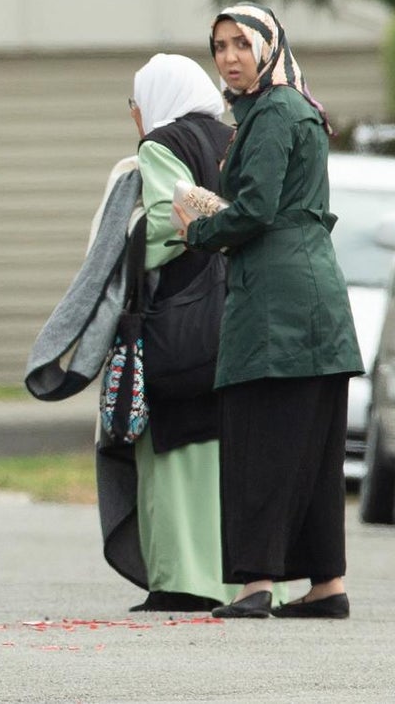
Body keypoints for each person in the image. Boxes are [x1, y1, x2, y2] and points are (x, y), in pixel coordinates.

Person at [176, 3, 363, 620]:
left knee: (260, 437)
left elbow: (254, 210)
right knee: (310, 448)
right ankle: (325, 586)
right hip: (311, 297)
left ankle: (255, 583)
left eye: (240, 44)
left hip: (278, 300)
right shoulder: (288, 106)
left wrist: (198, 229)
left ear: (268, 47)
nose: (229, 58)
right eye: (219, 47)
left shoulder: (276, 111)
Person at [125, 53, 237, 612]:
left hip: (180, 317)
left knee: (171, 448)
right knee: (233, 446)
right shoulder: (233, 136)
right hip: (239, 309)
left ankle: (182, 580)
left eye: (135, 105)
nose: (134, 118)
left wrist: (120, 240)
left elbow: (169, 224)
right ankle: (249, 580)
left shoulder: (161, 145)